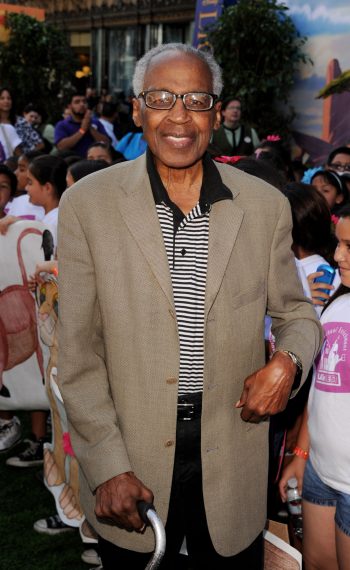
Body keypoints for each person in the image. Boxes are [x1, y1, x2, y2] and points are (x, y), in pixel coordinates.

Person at [58, 43, 322, 570]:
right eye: (162, 98)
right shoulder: (89, 205)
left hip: (233, 455)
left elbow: (297, 315)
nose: (179, 116)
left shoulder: (264, 206)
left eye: (197, 100)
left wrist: (286, 364)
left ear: (217, 111)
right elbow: (79, 355)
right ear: (137, 109)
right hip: (128, 456)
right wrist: (108, 466)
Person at [279, 205, 350, 570]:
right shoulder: (336, 302)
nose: (337, 255)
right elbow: (323, 390)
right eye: (339, 243)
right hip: (321, 472)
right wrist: (301, 455)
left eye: (349, 246)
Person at [54, 92, 109, 158]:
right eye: (77, 102)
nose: (82, 104)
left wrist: (90, 127)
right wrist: (82, 130)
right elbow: (61, 146)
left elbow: (106, 143)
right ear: (70, 106)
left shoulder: (96, 122)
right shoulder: (62, 125)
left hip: (95, 163)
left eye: (84, 101)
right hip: (72, 163)